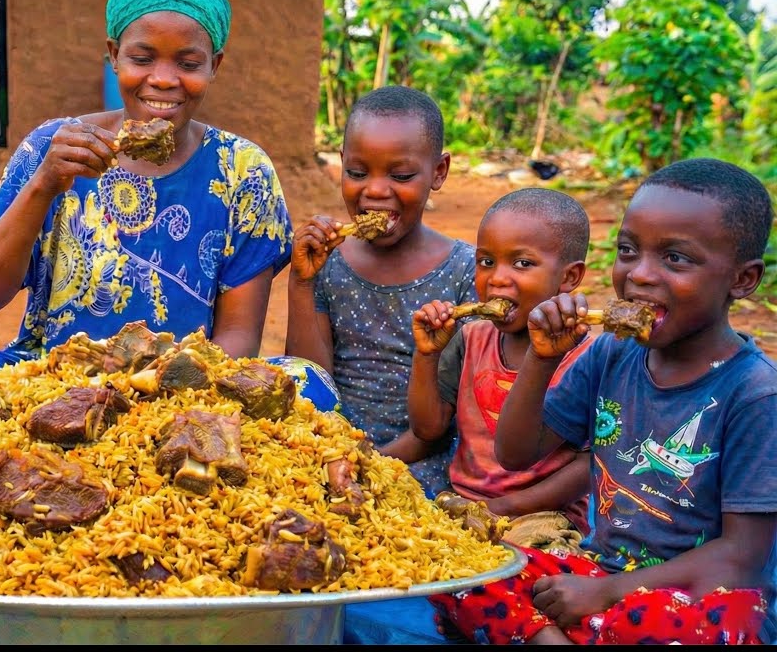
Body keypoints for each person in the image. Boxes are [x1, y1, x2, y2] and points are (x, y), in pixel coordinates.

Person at [0, 0, 332, 437]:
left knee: (311, 386)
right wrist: (43, 184)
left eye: (189, 63)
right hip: (46, 383)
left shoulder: (243, 170)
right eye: (142, 58)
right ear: (114, 56)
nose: (163, 79)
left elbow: (238, 336)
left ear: (215, 65)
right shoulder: (52, 146)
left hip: (179, 397)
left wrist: (178, 399)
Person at [442, 158, 777, 645]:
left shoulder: (754, 394)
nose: (639, 275)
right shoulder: (612, 352)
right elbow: (515, 453)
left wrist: (610, 593)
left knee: (710, 625)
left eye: (675, 258)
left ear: (742, 280)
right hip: (596, 569)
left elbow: (741, 557)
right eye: (627, 250)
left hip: (694, 594)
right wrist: (540, 357)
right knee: (463, 565)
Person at [285, 85, 476, 498]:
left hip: (421, 468)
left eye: (401, 176)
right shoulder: (329, 261)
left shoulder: (465, 271)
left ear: (438, 172)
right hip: (331, 456)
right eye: (357, 173)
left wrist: (373, 461)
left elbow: (444, 421)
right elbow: (310, 380)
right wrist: (301, 282)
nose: (374, 191)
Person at [409, 188, 593, 550]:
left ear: (569, 278)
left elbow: (588, 466)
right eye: (486, 261)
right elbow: (428, 428)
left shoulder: (588, 358)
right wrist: (427, 354)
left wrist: (504, 507)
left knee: (535, 570)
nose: (497, 279)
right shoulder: (471, 338)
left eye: (522, 264)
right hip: (461, 500)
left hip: (541, 514)